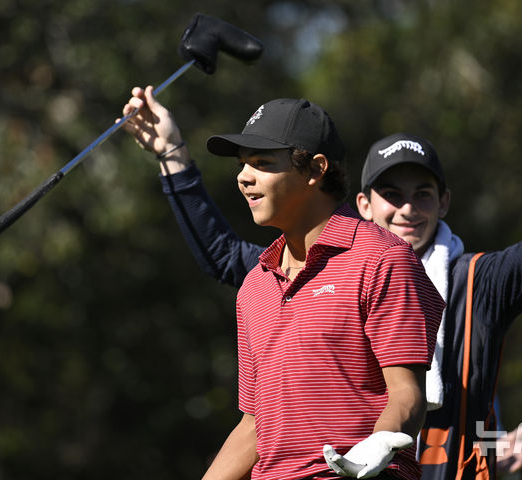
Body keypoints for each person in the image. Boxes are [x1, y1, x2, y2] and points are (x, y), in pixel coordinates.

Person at [120, 46, 522, 479]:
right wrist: (172, 155)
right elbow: (226, 263)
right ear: (363, 204)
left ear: (445, 204)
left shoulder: (472, 280)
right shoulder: (273, 275)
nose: (407, 209)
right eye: (391, 194)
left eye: (423, 195)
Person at [122, 97, 445, 479]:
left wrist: (380, 441)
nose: (243, 177)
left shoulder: (383, 258)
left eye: (262, 164)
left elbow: (406, 394)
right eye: (242, 164)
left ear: (315, 170)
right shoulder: (256, 285)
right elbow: (254, 426)